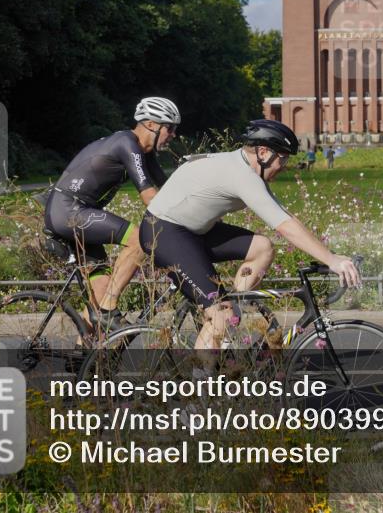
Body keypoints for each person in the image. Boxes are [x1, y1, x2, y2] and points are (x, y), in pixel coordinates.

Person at [139, 119, 361, 350]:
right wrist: (333, 261)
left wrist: (331, 255)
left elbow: (285, 215)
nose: (284, 165)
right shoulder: (242, 175)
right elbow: (284, 226)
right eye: (282, 158)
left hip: (194, 230)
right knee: (220, 317)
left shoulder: (244, 167)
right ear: (263, 152)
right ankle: (202, 380)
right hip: (165, 232)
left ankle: (229, 323)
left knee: (262, 247)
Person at [44, 97, 179, 332]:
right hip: (69, 210)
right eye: (171, 128)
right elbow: (149, 196)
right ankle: (108, 310)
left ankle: (82, 357)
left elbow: (167, 191)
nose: (174, 134)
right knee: (139, 240)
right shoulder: (127, 144)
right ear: (151, 125)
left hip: (75, 212)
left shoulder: (143, 153)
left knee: (100, 291)